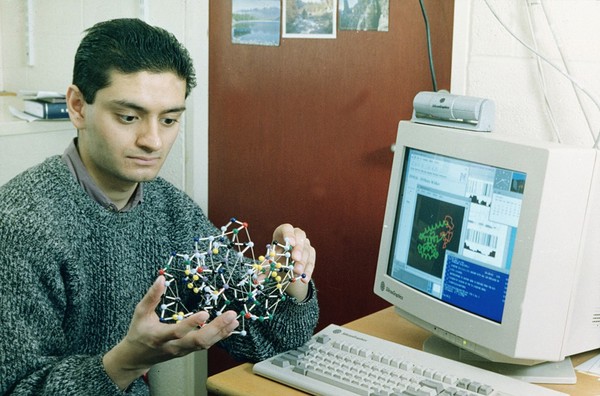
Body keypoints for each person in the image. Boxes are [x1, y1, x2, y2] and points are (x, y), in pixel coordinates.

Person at [0, 18, 318, 395]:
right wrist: (124, 364)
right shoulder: (22, 224)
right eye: (129, 117)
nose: (153, 140)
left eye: (169, 120)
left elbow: (265, 339)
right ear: (77, 107)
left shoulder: (173, 212)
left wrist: (289, 283)